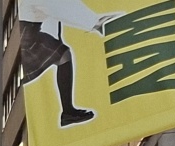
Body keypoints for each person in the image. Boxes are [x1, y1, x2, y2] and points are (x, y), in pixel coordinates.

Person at [20, 1, 121, 129]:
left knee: (63, 55)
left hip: (30, 34)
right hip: (27, 37)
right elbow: (57, 6)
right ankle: (68, 112)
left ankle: (68, 112)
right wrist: (94, 22)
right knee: (62, 56)